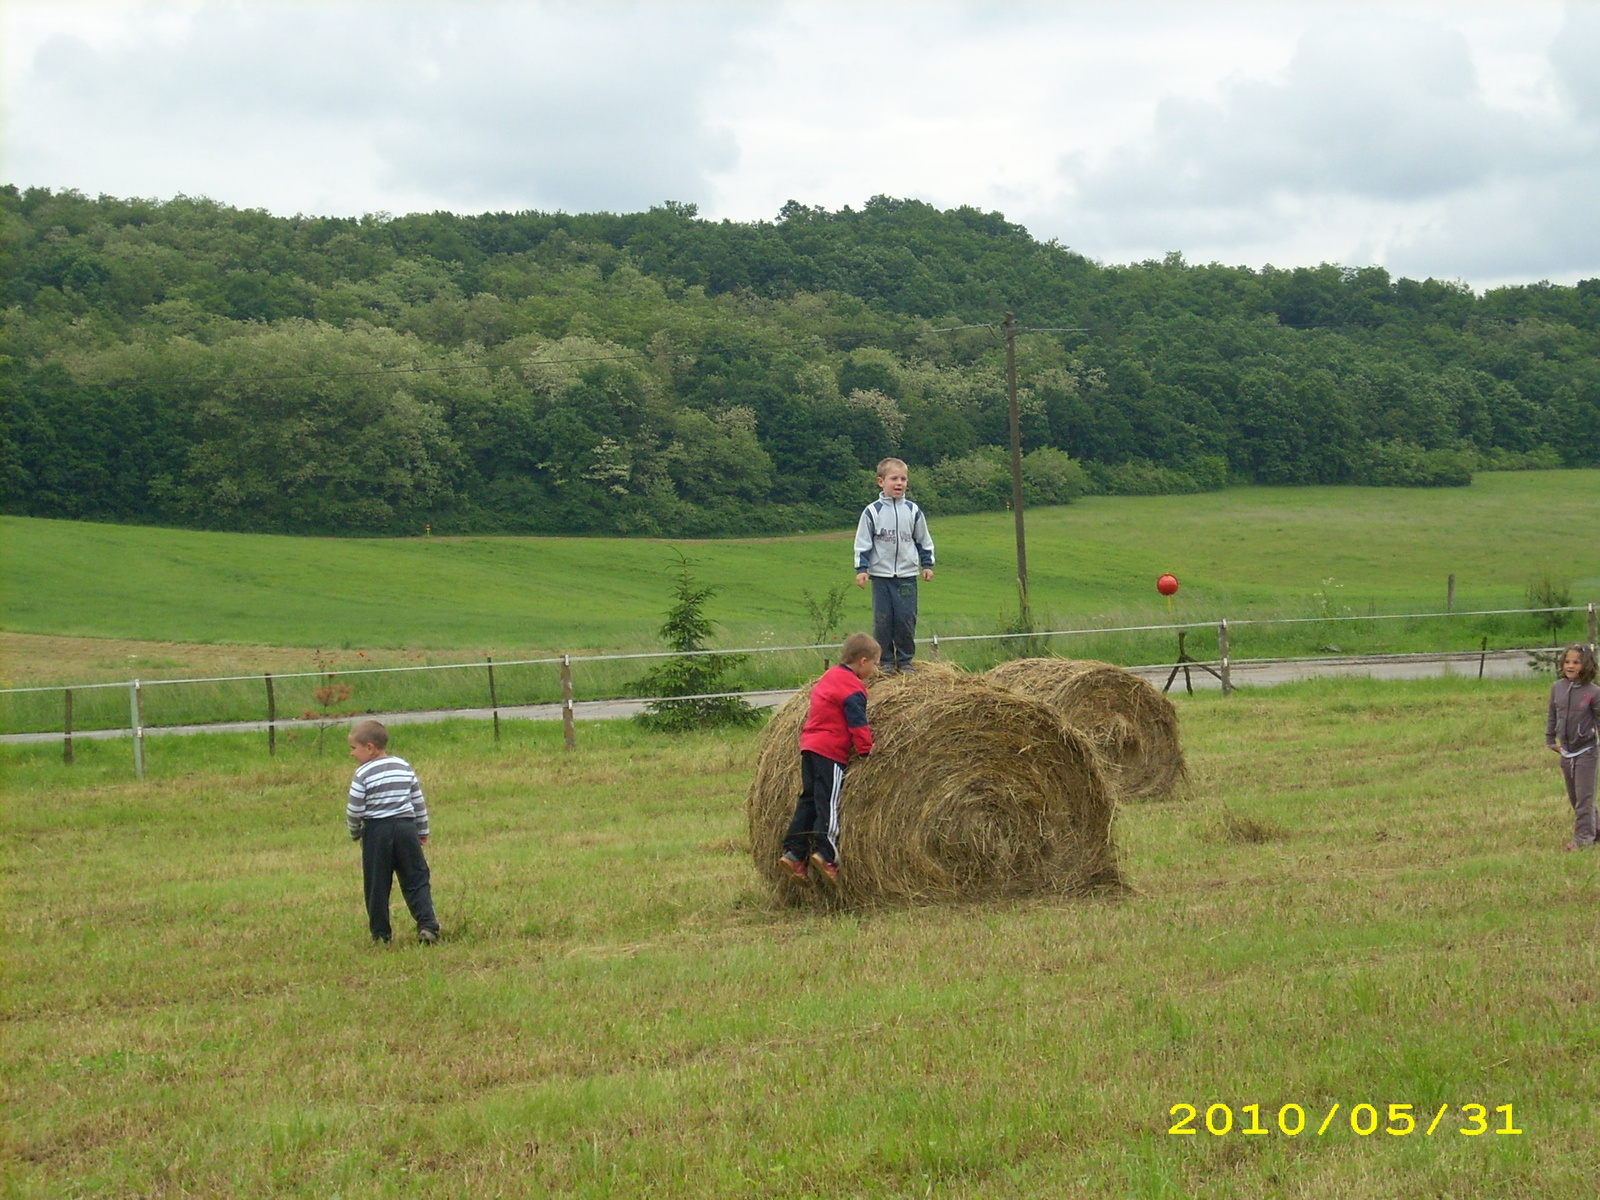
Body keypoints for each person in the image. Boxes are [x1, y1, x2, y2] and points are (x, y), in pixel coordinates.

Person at [779, 632, 879, 886]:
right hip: (831, 751)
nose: (875, 669)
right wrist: (867, 749)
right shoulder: (853, 688)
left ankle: (794, 853)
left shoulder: (829, 676)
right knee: (829, 801)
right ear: (863, 661)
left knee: (809, 800)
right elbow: (858, 723)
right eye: (875, 664)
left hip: (809, 747)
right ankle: (826, 853)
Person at [346, 719, 442, 942]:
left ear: (369, 748)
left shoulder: (363, 774)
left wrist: (354, 831)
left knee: (377, 884)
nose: (352, 754)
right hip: (406, 829)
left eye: (354, 748)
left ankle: (381, 934)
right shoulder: (403, 766)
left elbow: (354, 809)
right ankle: (427, 925)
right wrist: (422, 829)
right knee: (416, 877)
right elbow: (418, 801)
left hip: (376, 831)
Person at [854, 457, 935, 673]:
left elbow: (923, 540)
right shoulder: (872, 512)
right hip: (881, 577)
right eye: (894, 479)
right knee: (883, 621)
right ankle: (886, 661)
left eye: (903, 479)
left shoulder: (913, 511)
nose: (899, 483)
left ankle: (906, 660)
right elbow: (863, 542)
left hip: (907, 576)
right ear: (881, 482)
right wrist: (862, 570)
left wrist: (927, 564)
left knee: (905, 619)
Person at [1547, 644, 1600, 851]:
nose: (1570, 666)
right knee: (1575, 797)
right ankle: (1596, 829)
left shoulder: (1594, 693)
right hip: (1566, 751)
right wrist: (1550, 739)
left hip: (1587, 751)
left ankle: (1583, 840)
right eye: (1567, 662)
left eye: (1576, 662)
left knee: (1584, 799)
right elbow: (1553, 714)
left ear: (1585, 666)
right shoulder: (1557, 688)